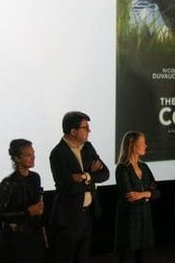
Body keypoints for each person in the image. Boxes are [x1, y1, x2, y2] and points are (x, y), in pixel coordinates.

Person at [49, 111, 110, 263]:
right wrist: (90, 178)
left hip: (88, 214)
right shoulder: (58, 153)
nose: (89, 131)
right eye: (85, 128)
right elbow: (67, 187)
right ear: (73, 131)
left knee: (83, 257)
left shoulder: (88, 147)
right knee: (66, 257)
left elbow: (105, 173)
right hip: (69, 217)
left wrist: (85, 176)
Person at [0, 139, 46, 263]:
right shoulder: (8, 182)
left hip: (34, 235)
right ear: (17, 158)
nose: (33, 158)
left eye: (33, 154)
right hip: (16, 239)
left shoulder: (35, 177)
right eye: (28, 155)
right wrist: (27, 212)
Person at [115, 131, 160, 263]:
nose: (146, 146)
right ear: (133, 146)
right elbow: (129, 195)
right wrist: (148, 194)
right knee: (127, 257)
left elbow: (157, 191)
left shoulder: (144, 167)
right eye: (142, 143)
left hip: (145, 220)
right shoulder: (122, 168)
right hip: (129, 221)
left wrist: (143, 194)